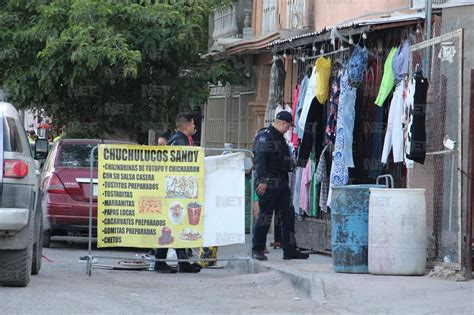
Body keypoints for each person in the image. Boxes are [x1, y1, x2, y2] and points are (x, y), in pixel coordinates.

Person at [252, 111, 309, 261]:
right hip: (268, 182)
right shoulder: (265, 136)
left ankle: (290, 250)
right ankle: (257, 249)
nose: (288, 130)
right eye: (288, 127)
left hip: (281, 181)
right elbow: (260, 159)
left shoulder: (279, 137)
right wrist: (262, 180)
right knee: (265, 216)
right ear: (283, 124)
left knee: (288, 217)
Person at [154, 113, 202, 273]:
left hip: (180, 191)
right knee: (172, 225)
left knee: (179, 225)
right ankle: (160, 262)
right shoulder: (179, 142)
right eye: (193, 124)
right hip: (176, 192)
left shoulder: (180, 140)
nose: (195, 127)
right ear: (188, 125)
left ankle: (183, 262)